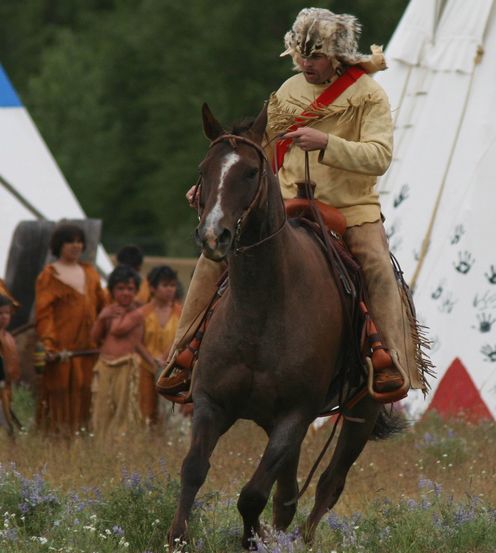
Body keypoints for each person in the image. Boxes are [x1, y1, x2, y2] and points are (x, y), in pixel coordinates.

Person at [158, 8, 430, 399]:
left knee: (378, 266)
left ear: (337, 55)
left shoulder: (369, 95)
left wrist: (328, 145)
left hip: (350, 208)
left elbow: (380, 156)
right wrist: (211, 189)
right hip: (286, 202)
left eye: (315, 56)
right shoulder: (287, 93)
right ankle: (182, 355)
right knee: (211, 258)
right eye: (301, 55)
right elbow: (253, 154)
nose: (306, 64)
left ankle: (390, 362)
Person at [35, 223, 106, 434]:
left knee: (85, 391)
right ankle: (56, 441)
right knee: (59, 392)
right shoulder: (49, 276)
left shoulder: (90, 272)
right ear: (59, 245)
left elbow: (104, 306)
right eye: (70, 241)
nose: (75, 246)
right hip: (61, 350)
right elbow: (44, 315)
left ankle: (82, 438)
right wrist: (49, 344)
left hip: (88, 349)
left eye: (79, 241)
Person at [90, 265, 155, 439]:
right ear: (112, 290)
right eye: (120, 288)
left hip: (127, 365)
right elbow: (95, 338)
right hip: (104, 364)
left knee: (123, 409)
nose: (125, 293)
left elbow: (137, 342)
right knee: (101, 407)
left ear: (135, 291)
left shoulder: (138, 312)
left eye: (130, 289)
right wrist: (102, 317)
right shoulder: (109, 311)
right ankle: (101, 442)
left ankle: (121, 445)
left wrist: (152, 362)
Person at [139, 266, 182, 425]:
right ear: (152, 288)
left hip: (172, 369)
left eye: (172, 285)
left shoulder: (181, 312)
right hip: (146, 366)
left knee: (171, 413)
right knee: (145, 411)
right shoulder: (143, 313)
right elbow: (137, 341)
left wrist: (165, 358)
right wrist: (151, 359)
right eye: (165, 285)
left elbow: (182, 339)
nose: (170, 290)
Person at [0, 295, 21, 435]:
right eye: (0, 313)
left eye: (7, 313)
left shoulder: (8, 337)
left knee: (7, 427)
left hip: (6, 388)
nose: (4, 317)